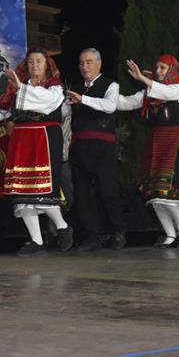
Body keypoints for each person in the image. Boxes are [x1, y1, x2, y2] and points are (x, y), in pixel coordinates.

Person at [0, 47, 73, 256]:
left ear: (47, 65)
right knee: (21, 192)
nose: (34, 65)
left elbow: (48, 103)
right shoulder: (17, 88)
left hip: (44, 137)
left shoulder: (54, 86)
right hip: (21, 139)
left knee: (42, 189)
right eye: (31, 61)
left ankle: (62, 226)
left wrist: (22, 88)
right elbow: (1, 111)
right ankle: (37, 241)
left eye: (39, 61)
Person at [117, 54, 179, 248]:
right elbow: (125, 102)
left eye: (163, 67)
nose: (158, 71)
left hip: (174, 144)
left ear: (172, 70)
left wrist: (144, 79)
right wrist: (96, 96)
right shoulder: (150, 93)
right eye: (157, 67)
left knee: (167, 195)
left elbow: (166, 92)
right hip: (155, 144)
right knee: (154, 196)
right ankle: (170, 234)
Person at [64, 48, 125, 251]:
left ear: (99, 64)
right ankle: (91, 236)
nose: (85, 66)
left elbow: (109, 106)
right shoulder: (75, 87)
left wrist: (82, 99)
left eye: (89, 62)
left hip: (103, 148)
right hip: (79, 147)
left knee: (107, 190)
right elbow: (64, 111)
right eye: (81, 63)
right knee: (82, 194)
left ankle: (117, 231)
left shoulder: (110, 85)